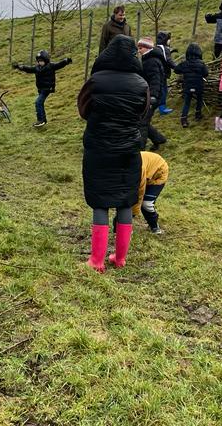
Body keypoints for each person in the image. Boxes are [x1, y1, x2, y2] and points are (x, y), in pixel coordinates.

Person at [77, 34, 149, 272]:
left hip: (99, 148)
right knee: (125, 202)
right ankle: (119, 258)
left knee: (100, 202)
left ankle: (96, 261)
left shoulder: (95, 81)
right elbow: (142, 113)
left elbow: (84, 110)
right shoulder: (141, 84)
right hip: (129, 149)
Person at [12, 50, 72, 127]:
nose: (40, 62)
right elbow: (29, 69)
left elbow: (59, 64)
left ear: (46, 60)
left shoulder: (51, 66)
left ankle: (41, 120)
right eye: (39, 61)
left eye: (41, 61)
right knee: (40, 103)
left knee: (38, 102)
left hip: (47, 88)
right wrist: (19, 67)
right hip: (40, 89)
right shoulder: (37, 68)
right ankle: (43, 120)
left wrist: (66, 61)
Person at [138, 38, 169, 151]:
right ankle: (159, 139)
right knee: (142, 121)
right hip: (149, 95)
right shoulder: (149, 59)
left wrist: (153, 97)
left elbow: (155, 80)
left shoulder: (151, 61)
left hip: (152, 97)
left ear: (147, 48)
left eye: (140, 48)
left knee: (142, 122)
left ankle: (140, 149)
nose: (139, 51)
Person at [173, 42, 209, 128]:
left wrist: (183, 71)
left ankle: (184, 119)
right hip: (198, 85)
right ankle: (198, 115)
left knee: (187, 102)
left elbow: (176, 70)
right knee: (199, 100)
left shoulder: (185, 63)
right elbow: (206, 73)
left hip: (187, 86)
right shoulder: (201, 63)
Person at [133, 151, 169, 235]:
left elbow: (139, 194)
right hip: (145, 174)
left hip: (158, 174)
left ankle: (154, 226)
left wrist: (134, 211)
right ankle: (120, 227)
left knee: (146, 203)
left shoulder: (139, 168)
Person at [154, 31, 177, 115]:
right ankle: (162, 108)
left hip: (157, 72)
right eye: (169, 39)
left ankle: (156, 106)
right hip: (162, 72)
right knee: (163, 90)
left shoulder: (157, 47)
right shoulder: (164, 48)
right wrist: (177, 67)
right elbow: (168, 60)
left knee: (158, 89)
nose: (170, 41)